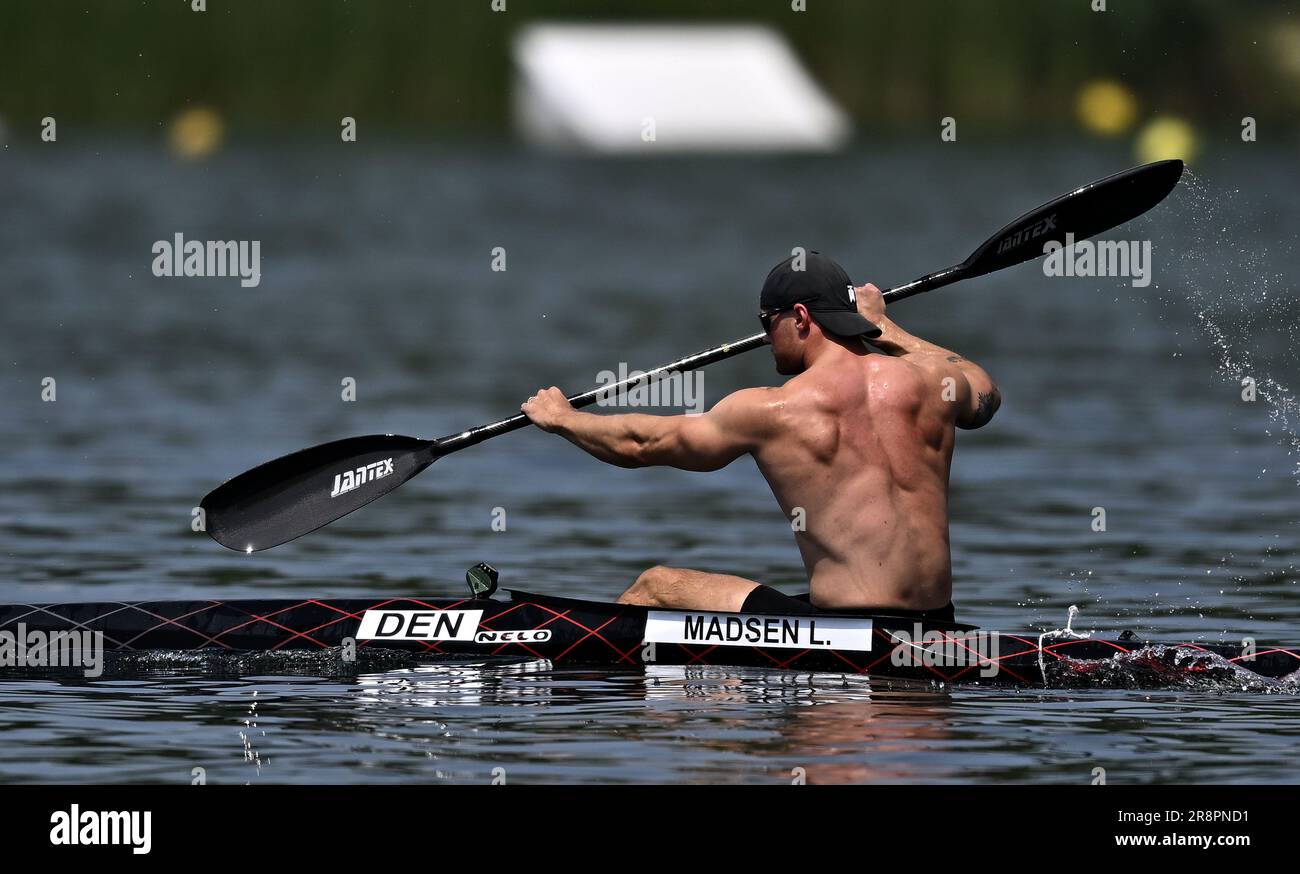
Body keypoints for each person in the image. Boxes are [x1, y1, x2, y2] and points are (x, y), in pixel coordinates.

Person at [520, 252, 1000, 618]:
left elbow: (643, 444)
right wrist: (888, 328)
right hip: (937, 627)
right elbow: (984, 392)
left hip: (845, 632)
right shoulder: (931, 383)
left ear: (800, 317)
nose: (768, 336)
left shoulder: (777, 409)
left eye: (767, 323)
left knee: (657, 587)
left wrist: (564, 418)